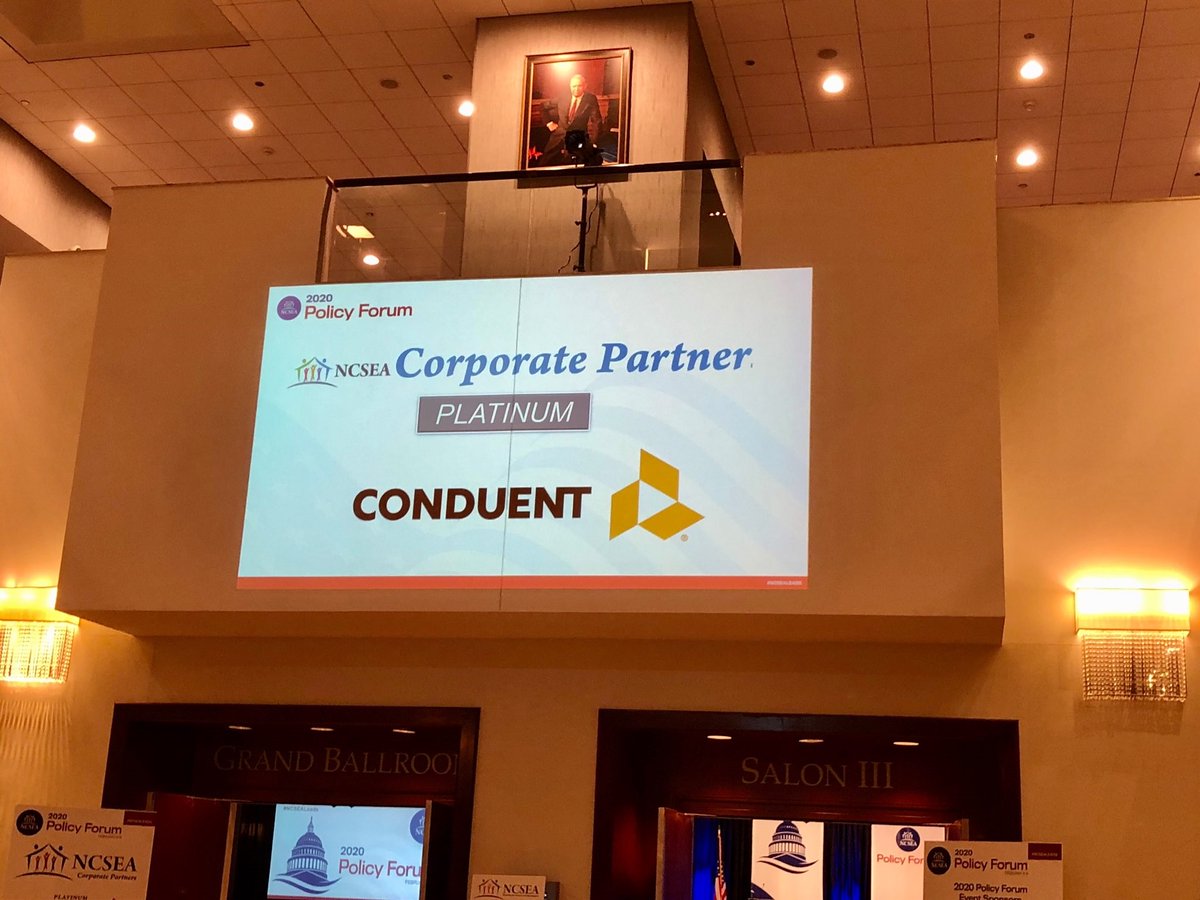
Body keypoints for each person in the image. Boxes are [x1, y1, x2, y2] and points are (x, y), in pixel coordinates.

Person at [533, 73, 603, 166]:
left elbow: (596, 122)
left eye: (579, 86)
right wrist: (549, 123)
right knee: (544, 163)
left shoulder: (590, 99)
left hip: (577, 138)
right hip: (559, 135)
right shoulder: (563, 96)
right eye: (574, 86)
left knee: (575, 164)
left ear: (585, 86)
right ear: (570, 86)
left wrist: (592, 142)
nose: (576, 89)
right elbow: (543, 107)